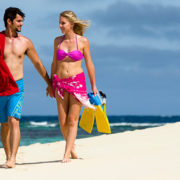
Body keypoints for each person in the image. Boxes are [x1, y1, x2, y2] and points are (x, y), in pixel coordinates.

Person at [0, 7, 53, 168]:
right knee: (4, 124)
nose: (22, 24)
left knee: (14, 121)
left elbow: (37, 63)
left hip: (17, 87)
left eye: (22, 21)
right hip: (1, 87)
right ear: (9, 21)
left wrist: (49, 83)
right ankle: (8, 156)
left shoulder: (25, 42)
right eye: (18, 21)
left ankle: (13, 159)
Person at [46, 10, 98, 163]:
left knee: (72, 120)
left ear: (71, 24)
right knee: (62, 121)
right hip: (60, 83)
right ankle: (72, 148)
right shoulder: (57, 41)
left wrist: (93, 85)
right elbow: (54, 63)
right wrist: (50, 84)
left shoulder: (83, 41)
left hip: (77, 82)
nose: (60, 25)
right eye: (59, 23)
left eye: (63, 23)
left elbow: (89, 63)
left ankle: (66, 154)